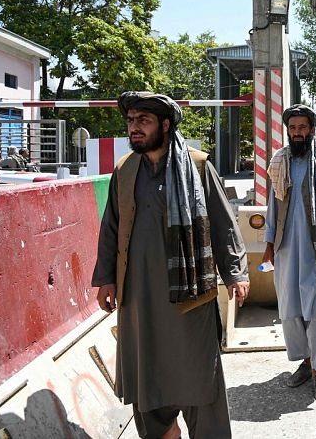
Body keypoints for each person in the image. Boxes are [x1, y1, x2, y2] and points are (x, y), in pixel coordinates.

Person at [92, 91, 250, 439]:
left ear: (165, 125)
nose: (134, 128)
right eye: (131, 121)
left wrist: (235, 272)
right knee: (147, 376)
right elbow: (112, 228)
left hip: (189, 295)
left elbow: (223, 224)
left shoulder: (196, 165)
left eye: (143, 121)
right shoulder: (125, 169)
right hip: (139, 298)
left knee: (198, 374)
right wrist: (105, 279)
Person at [262, 104, 316, 402]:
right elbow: (272, 205)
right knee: (290, 310)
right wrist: (269, 245)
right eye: (292, 128)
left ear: (311, 130)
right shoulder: (280, 162)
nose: (297, 133)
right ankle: (305, 362)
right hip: (286, 249)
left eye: (302, 127)